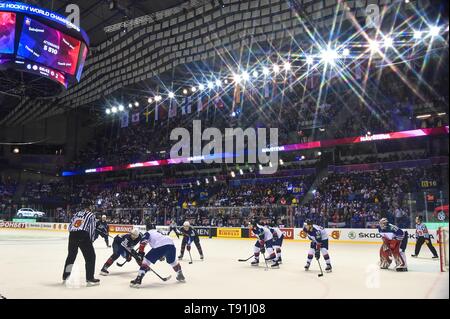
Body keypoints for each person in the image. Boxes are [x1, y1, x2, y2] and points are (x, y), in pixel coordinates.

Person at [62, 206, 100, 286]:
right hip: (83, 235)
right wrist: (91, 240)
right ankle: (90, 279)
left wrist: (73, 234)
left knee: (71, 256)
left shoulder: (76, 214)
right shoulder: (91, 215)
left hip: (72, 234)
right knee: (90, 257)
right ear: (90, 208)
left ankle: (65, 276)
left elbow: (70, 227)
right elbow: (92, 229)